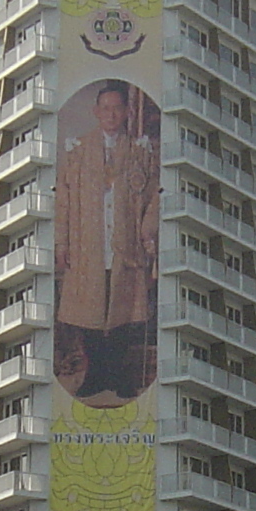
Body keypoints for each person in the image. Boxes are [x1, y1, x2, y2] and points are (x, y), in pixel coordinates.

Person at [54, 80, 159, 406]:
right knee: (90, 315)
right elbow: (64, 201)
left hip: (126, 246)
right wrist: (62, 243)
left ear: (126, 112)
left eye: (118, 107)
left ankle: (119, 376)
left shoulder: (140, 151)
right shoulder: (78, 150)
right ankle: (93, 375)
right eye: (106, 108)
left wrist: (147, 231)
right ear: (96, 111)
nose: (112, 114)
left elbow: (153, 196)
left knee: (124, 316)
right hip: (88, 246)